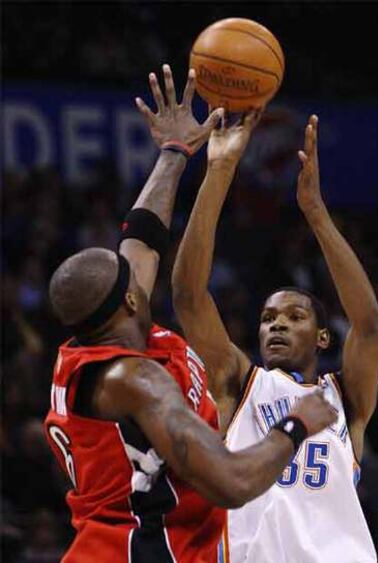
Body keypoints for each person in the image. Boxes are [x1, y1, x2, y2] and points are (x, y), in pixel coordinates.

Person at [44, 67, 337, 563]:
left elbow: (141, 235)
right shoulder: (135, 379)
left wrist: (175, 153)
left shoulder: (105, 328)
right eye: (128, 274)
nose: (137, 265)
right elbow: (230, 482)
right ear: (130, 300)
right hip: (137, 552)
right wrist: (295, 426)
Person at [172, 113, 378, 562]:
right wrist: (220, 172)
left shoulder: (344, 400)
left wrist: (316, 213)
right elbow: (189, 297)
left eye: (294, 316)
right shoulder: (238, 381)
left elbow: (368, 325)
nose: (278, 324)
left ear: (323, 337)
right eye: (268, 318)